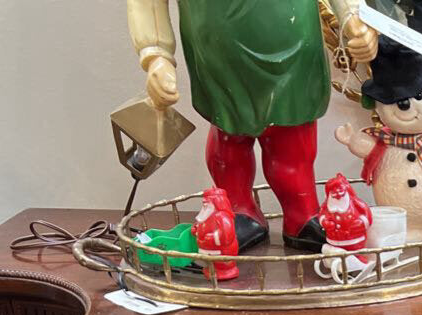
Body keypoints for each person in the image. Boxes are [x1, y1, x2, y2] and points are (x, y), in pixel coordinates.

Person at [126, 0, 378, 251]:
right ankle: (236, 210)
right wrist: (155, 55)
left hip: (295, 48)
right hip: (218, 55)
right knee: (229, 138)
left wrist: (354, 17)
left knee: (293, 142)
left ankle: (302, 213)